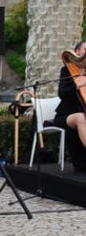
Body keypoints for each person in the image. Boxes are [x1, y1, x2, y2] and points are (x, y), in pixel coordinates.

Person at [52, 40, 86, 171]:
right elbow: (62, 93)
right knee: (80, 117)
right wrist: (77, 86)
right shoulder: (66, 70)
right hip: (66, 115)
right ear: (77, 52)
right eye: (85, 49)